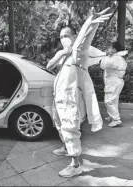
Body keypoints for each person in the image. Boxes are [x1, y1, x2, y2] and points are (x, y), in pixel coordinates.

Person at [46, 7, 112, 178]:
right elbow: (49, 66)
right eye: (61, 37)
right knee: (60, 125)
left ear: (74, 37)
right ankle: (66, 148)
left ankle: (75, 165)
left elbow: (84, 42)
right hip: (59, 99)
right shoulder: (64, 55)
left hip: (70, 100)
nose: (63, 39)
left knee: (69, 128)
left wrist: (90, 23)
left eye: (66, 36)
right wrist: (61, 53)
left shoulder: (78, 54)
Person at [100, 42, 127, 127]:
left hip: (113, 81)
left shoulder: (115, 58)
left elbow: (103, 65)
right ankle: (112, 116)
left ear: (114, 49)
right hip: (115, 81)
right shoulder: (118, 58)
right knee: (114, 100)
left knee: (109, 100)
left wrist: (105, 56)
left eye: (110, 47)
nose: (108, 49)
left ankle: (116, 119)